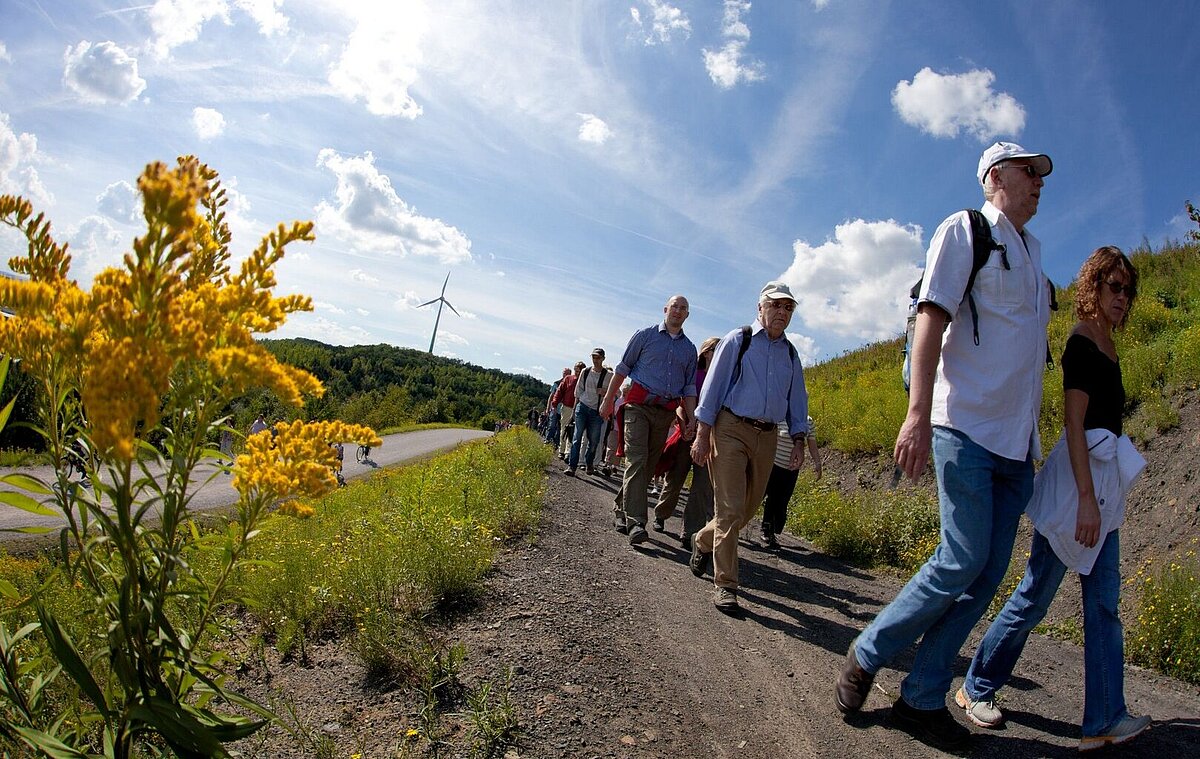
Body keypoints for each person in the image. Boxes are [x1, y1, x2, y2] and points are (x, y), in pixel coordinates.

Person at [835, 141, 1056, 751]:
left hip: (1017, 445)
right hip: (963, 426)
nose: (1039, 182)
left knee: (985, 575)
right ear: (993, 178)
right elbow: (931, 318)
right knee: (960, 558)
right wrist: (915, 414)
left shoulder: (1035, 256)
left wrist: (1035, 443)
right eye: (1027, 171)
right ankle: (866, 651)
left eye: (1042, 175)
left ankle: (924, 696)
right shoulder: (966, 230)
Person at [957, 247, 1151, 751]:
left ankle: (1103, 719)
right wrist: (1086, 498)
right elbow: (1074, 423)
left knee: (1104, 603)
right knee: (1035, 595)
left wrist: (1101, 497)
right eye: (1114, 287)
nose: (1122, 298)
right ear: (1093, 287)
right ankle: (976, 685)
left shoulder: (1109, 344)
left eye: (1128, 290)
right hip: (1078, 486)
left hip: (1102, 488)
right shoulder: (1083, 343)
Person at [688, 281, 810, 612]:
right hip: (730, 429)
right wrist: (702, 434)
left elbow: (797, 400)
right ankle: (726, 584)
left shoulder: (791, 353)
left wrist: (799, 440)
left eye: (789, 308)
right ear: (760, 307)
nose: (782, 312)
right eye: (776, 305)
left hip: (768, 436)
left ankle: (702, 540)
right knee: (729, 509)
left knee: (746, 509)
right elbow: (712, 390)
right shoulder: (737, 340)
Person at [600, 295, 697, 545]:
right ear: (665, 309)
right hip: (638, 407)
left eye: (683, 308)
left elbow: (688, 387)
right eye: (674, 306)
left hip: (665, 412)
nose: (678, 311)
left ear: (687, 315)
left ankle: (621, 508)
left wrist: (691, 420)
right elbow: (623, 368)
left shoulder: (689, 349)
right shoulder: (644, 336)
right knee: (637, 460)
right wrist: (609, 399)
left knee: (648, 465)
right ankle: (636, 523)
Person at [653, 336, 719, 549]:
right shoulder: (694, 375)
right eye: (716, 349)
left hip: (709, 438)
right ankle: (661, 514)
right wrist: (684, 425)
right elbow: (680, 405)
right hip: (687, 434)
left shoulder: (723, 379)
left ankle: (689, 532)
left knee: (702, 486)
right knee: (676, 477)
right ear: (706, 351)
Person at [759, 415, 822, 548]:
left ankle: (771, 529)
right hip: (773, 466)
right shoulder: (779, 418)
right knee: (766, 497)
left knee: (782, 501)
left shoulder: (808, 422)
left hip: (792, 470)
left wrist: (817, 463)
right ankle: (764, 529)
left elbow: (812, 445)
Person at [567, 348, 612, 476]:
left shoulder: (608, 375)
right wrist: (576, 409)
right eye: (593, 357)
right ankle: (572, 466)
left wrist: (605, 393)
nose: (595, 360)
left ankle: (589, 462)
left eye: (598, 357)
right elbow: (578, 390)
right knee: (577, 438)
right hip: (583, 407)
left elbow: (615, 394)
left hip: (597, 411)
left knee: (594, 441)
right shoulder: (585, 372)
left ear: (603, 358)